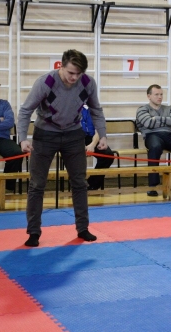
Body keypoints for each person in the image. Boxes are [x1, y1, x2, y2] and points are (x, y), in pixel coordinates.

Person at [18, 49, 107, 247]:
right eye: (70, 73)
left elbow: (96, 109)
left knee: (80, 183)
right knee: (37, 185)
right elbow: (25, 111)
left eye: (78, 73)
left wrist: (103, 135)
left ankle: (82, 228)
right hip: (45, 134)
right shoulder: (46, 82)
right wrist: (23, 138)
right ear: (61, 66)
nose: (74, 77)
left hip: (73, 134)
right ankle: (33, 232)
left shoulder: (87, 83)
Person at [136, 84, 171, 197]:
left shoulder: (169, 108)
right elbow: (148, 123)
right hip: (152, 135)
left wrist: (156, 119)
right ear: (149, 96)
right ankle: (153, 186)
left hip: (170, 135)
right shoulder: (142, 109)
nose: (160, 97)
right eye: (156, 94)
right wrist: (166, 120)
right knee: (155, 147)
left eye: (161, 94)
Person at [0, 74, 23, 195]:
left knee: (17, 153)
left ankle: (7, 187)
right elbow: (3, 121)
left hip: (2, 138)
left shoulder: (4, 104)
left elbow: (9, 122)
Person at [81, 105, 115, 190]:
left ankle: (92, 184)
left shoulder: (94, 109)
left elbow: (98, 130)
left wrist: (92, 145)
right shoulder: (71, 107)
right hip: (75, 138)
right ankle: (78, 185)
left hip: (92, 138)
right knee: (76, 156)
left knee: (108, 155)